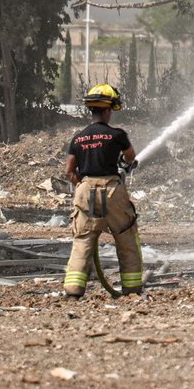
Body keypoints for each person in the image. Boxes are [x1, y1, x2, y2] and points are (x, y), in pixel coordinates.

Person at [61, 84, 144, 298]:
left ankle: (73, 290)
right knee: (126, 236)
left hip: (85, 190)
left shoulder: (78, 138)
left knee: (83, 240)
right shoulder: (117, 135)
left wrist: (83, 184)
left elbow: (69, 171)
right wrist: (123, 166)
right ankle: (132, 288)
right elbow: (130, 157)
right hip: (112, 191)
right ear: (107, 111)